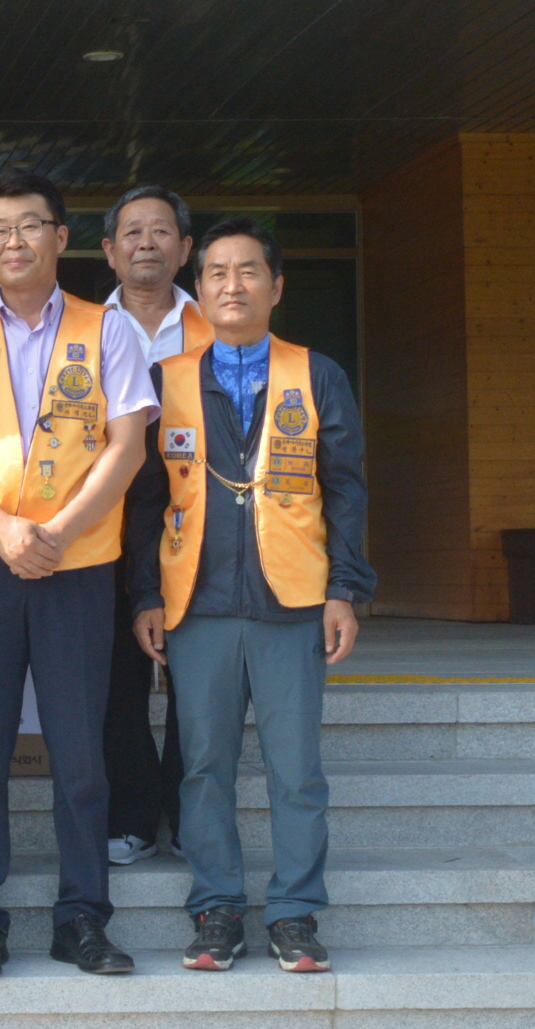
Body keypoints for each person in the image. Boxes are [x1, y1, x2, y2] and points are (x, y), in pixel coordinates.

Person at [0, 168, 155, 978]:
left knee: (79, 754)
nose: (12, 241)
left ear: (60, 236)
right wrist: (1, 525)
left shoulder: (107, 329)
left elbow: (127, 445)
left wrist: (55, 531)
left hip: (77, 565)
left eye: (28, 225)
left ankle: (82, 916)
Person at [129, 218, 375, 973]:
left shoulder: (317, 375)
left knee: (296, 768)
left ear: (276, 286)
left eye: (247, 272)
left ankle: (295, 911)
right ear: (198, 290)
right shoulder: (166, 379)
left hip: (292, 601)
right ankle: (217, 907)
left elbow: (346, 490)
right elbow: (142, 501)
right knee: (204, 765)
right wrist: (144, 594)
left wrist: (345, 589)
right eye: (216, 273)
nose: (231, 285)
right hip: (196, 601)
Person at [98, 186, 213, 867]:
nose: (147, 242)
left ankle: (189, 812)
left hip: (202, 529)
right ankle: (134, 815)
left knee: (196, 685)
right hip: (107, 529)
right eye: (132, 232)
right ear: (109, 252)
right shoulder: (83, 329)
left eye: (162, 231)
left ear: (186, 248)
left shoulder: (219, 326)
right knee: (119, 684)